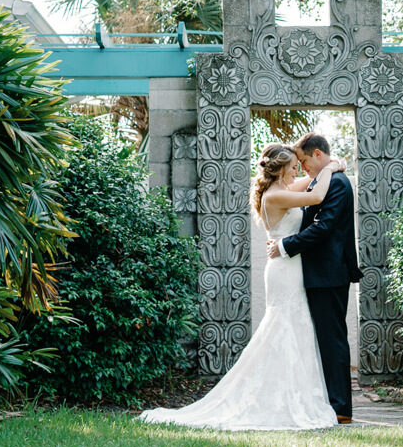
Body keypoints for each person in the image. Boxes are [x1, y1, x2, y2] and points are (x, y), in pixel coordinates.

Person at [137, 143, 344, 431]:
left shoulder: (282, 189)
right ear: (282, 168)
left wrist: (328, 167)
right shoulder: (275, 197)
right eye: (293, 166)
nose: (298, 169)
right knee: (284, 325)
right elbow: (318, 193)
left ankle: (295, 391)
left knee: (296, 326)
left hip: (290, 266)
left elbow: (311, 182)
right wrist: (332, 167)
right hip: (284, 271)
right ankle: (283, 396)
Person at [266, 133, 362, 425]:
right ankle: (329, 402)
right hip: (314, 273)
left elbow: (323, 227)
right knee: (322, 338)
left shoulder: (337, 183)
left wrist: (284, 246)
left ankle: (341, 407)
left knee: (332, 339)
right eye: (297, 164)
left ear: (318, 154)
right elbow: (309, 198)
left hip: (328, 273)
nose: (303, 168)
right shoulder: (320, 181)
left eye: (305, 161)